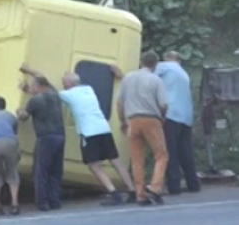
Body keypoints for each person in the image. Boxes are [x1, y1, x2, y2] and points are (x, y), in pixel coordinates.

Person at [21, 64, 136, 206]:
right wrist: (29, 88)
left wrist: (28, 71)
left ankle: (114, 193)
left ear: (69, 83)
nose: (62, 82)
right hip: (103, 128)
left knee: (94, 166)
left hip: (89, 132)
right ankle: (132, 190)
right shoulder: (89, 89)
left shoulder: (67, 94)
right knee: (116, 161)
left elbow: (45, 86)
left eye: (63, 80)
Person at [117, 50, 169, 206]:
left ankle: (140, 194)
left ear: (141, 62)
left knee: (137, 159)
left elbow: (120, 103)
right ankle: (155, 187)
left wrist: (122, 120)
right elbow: (164, 104)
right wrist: (162, 117)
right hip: (151, 120)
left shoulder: (128, 78)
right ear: (155, 64)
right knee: (161, 155)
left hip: (132, 120)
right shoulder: (156, 80)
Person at [16, 75, 65, 212]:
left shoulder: (35, 101)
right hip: (60, 135)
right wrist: (27, 86)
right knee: (56, 170)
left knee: (41, 171)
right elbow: (45, 84)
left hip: (45, 137)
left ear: (37, 86)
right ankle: (55, 201)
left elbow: (24, 117)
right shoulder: (56, 95)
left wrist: (19, 111)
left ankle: (42, 203)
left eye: (32, 86)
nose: (31, 89)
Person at [154, 51, 200, 194]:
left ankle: (174, 186)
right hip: (186, 116)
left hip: (170, 113)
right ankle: (193, 184)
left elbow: (148, 79)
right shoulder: (183, 73)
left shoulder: (163, 67)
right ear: (179, 60)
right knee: (185, 151)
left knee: (170, 151)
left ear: (166, 58)